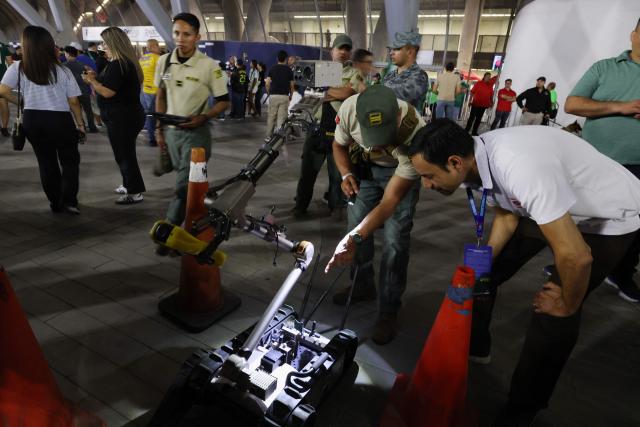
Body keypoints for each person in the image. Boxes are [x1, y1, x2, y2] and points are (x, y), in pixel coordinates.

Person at [407, 119, 640, 426]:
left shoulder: (520, 167)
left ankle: (522, 409)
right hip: (548, 209)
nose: (426, 185)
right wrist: (482, 267)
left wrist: (566, 303)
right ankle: (476, 345)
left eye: (428, 176)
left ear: (454, 163)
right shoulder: (477, 155)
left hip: (606, 219)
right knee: (483, 275)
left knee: (553, 315)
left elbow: (577, 256)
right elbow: (507, 217)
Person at [325, 85, 425, 345]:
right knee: (355, 222)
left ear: (398, 118)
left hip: (401, 175)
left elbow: (390, 201)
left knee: (395, 239)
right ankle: (362, 285)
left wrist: (358, 235)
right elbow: (338, 146)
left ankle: (389, 310)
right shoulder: (349, 109)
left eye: (382, 134)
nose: (377, 141)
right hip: (366, 172)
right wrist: (346, 174)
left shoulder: (415, 130)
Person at [565, 18, 640, 302]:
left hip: (638, 165)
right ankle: (569, 264)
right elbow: (573, 104)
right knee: (586, 218)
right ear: (633, 35)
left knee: (635, 228)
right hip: (598, 161)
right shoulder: (604, 68)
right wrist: (621, 107)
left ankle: (620, 274)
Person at [153, 12, 229, 254]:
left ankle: (168, 236)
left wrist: (204, 116)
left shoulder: (209, 66)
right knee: (189, 189)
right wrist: (160, 129)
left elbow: (223, 101)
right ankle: (198, 222)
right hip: (172, 134)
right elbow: (161, 94)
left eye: (186, 34)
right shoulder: (164, 62)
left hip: (196, 135)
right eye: (177, 33)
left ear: (197, 37)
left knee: (182, 188)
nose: (180, 38)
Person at [0, 26, 85, 214]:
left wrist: (21, 102)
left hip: (33, 119)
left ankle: (55, 202)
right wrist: (80, 124)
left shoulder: (18, 67)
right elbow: (74, 102)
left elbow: (3, 91)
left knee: (46, 162)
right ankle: (70, 201)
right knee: (70, 161)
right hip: (60, 119)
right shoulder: (62, 71)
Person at [292, 34, 363, 218]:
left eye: (347, 49)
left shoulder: (354, 73)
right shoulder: (321, 69)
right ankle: (300, 204)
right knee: (307, 171)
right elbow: (309, 90)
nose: (343, 52)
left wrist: (325, 90)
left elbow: (347, 92)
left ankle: (337, 206)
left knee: (337, 173)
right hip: (316, 128)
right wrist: (333, 91)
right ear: (332, 50)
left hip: (339, 131)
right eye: (340, 48)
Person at [83, 27, 146, 205]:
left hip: (123, 117)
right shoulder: (124, 63)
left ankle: (134, 192)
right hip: (127, 115)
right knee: (123, 153)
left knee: (125, 154)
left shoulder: (118, 64)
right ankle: (129, 184)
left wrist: (92, 81)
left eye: (105, 43)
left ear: (113, 43)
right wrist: (96, 79)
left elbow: (108, 92)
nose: (103, 46)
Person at [383, 29, 429, 110]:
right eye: (391, 49)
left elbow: (401, 96)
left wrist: (374, 92)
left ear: (410, 52)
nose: (391, 53)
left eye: (397, 49)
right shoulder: (389, 75)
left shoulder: (420, 76)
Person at [62, 46, 98, 133]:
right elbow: (87, 76)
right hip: (84, 90)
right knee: (88, 110)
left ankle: (82, 126)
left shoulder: (64, 67)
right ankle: (92, 127)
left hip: (72, 93)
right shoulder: (83, 66)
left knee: (76, 110)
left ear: (67, 54)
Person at [265, 50, 294, 138]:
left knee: (271, 117)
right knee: (281, 118)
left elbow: (267, 83)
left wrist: (269, 92)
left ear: (277, 58)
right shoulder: (289, 70)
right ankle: (278, 138)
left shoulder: (272, 69)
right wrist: (291, 96)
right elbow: (292, 85)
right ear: (286, 59)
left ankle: (268, 137)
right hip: (284, 96)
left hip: (273, 96)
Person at [139, 38, 162, 146]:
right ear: (152, 46)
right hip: (154, 91)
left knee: (148, 114)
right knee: (155, 115)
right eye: (158, 45)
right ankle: (153, 139)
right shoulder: (157, 58)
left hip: (144, 90)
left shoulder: (142, 58)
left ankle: (150, 133)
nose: (160, 48)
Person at [0, 42, 11, 136]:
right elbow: (10, 64)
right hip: (2, 81)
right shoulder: (3, 47)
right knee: (4, 104)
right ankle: (4, 128)